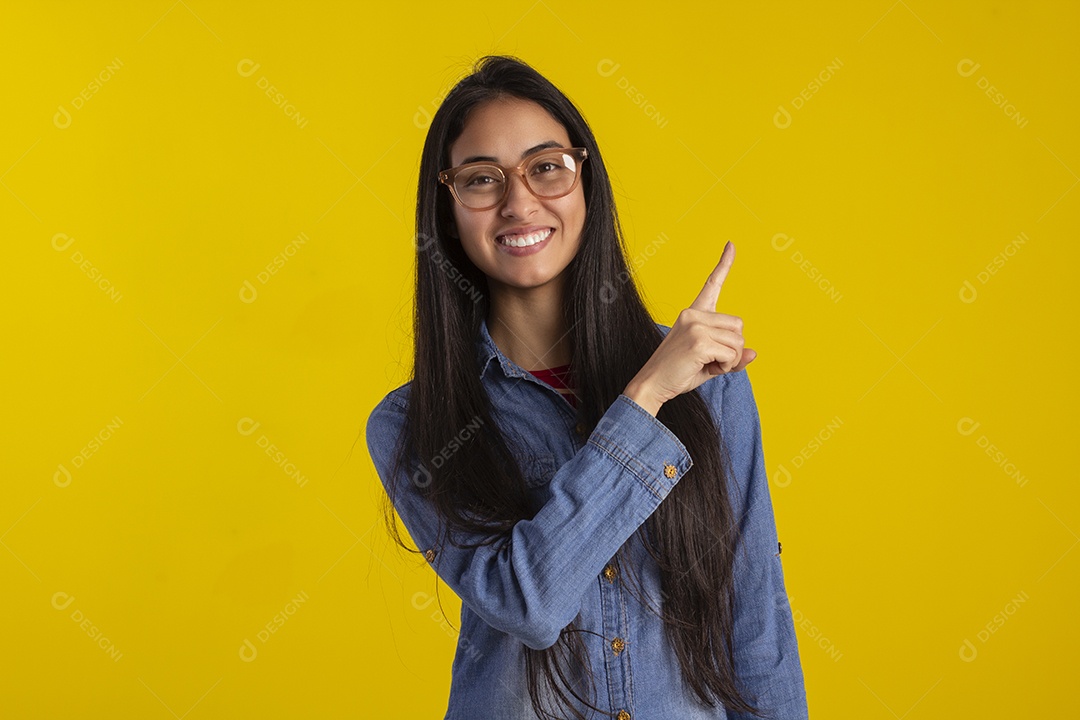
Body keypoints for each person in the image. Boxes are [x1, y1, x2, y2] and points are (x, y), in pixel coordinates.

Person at [365, 54, 808, 720]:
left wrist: (667, 382)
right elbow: (530, 604)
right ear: (449, 210)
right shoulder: (413, 423)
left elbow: (756, 623)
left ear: (585, 183)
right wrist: (646, 400)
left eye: (547, 167)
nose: (519, 202)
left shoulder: (707, 380)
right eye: (482, 180)